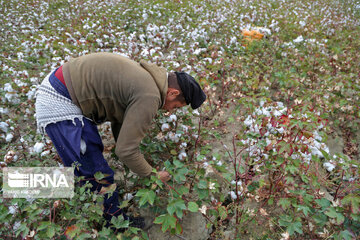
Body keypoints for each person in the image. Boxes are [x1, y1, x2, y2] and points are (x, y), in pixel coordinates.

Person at [35, 52, 206, 229]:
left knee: (86, 164)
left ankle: (39, 193)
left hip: (63, 87)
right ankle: (115, 222)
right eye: (175, 106)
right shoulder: (150, 95)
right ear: (172, 92)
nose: (170, 111)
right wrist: (152, 174)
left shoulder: (148, 78)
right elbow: (125, 150)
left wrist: (133, 151)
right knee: (97, 174)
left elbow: (121, 120)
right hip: (59, 102)